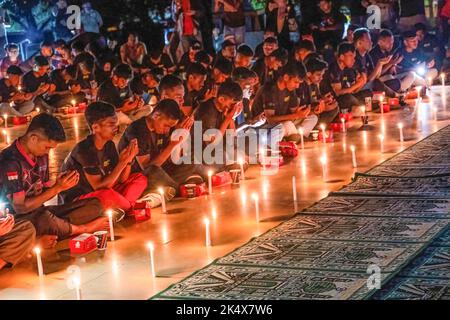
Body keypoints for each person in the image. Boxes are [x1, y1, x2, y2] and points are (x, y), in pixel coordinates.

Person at [0, 113, 109, 245]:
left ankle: (58, 229)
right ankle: (81, 229)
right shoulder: (10, 161)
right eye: (47, 147)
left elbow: (44, 191)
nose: (48, 152)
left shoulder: (41, 155)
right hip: (17, 221)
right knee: (43, 219)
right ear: (33, 138)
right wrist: (57, 188)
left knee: (94, 205)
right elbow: (20, 208)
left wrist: (60, 183)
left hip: (40, 212)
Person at [60, 102, 147, 213]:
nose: (116, 128)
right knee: (108, 194)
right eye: (111, 125)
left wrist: (128, 160)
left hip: (104, 192)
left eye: (116, 123)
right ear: (96, 127)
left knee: (139, 178)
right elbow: (99, 188)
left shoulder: (109, 144)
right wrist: (122, 163)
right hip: (80, 200)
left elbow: (121, 179)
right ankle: (128, 207)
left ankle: (122, 207)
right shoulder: (84, 150)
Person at [119, 99, 201, 205]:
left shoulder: (163, 128)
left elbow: (172, 158)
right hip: (140, 177)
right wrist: (172, 145)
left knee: (193, 159)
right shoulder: (137, 130)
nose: (167, 130)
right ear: (156, 115)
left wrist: (180, 136)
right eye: (166, 126)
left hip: (162, 172)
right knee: (153, 170)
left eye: (170, 127)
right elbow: (148, 168)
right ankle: (178, 188)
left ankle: (172, 187)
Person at [252, 64, 317, 142]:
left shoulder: (291, 90)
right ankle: (296, 138)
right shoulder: (269, 89)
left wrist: (307, 111)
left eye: (299, 83)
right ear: (286, 77)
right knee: (286, 126)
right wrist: (295, 115)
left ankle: (296, 137)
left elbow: (294, 113)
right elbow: (270, 120)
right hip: (266, 127)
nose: (297, 86)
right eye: (296, 82)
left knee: (313, 118)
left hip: (285, 123)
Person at [327, 42, 371, 114]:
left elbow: (354, 91)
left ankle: (358, 108)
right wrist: (356, 85)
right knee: (348, 98)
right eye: (350, 56)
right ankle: (358, 108)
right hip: (337, 100)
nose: (353, 60)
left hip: (349, 95)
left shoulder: (348, 68)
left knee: (367, 93)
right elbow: (337, 93)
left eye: (354, 57)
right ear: (342, 57)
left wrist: (361, 83)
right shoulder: (334, 69)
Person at [370, 29, 415, 93]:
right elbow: (377, 75)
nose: (391, 45)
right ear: (380, 42)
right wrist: (391, 63)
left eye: (392, 42)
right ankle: (399, 91)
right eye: (389, 43)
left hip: (390, 77)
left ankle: (401, 90)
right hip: (379, 81)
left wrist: (394, 65)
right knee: (393, 80)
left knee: (411, 74)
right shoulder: (374, 54)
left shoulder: (387, 50)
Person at [301, 58, 339, 126]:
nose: (321, 78)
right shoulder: (301, 86)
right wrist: (322, 108)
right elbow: (302, 108)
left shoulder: (315, 84)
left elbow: (316, 99)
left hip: (314, 112)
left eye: (322, 75)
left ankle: (320, 127)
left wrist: (324, 100)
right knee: (313, 117)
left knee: (335, 107)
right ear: (308, 73)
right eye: (318, 75)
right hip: (305, 116)